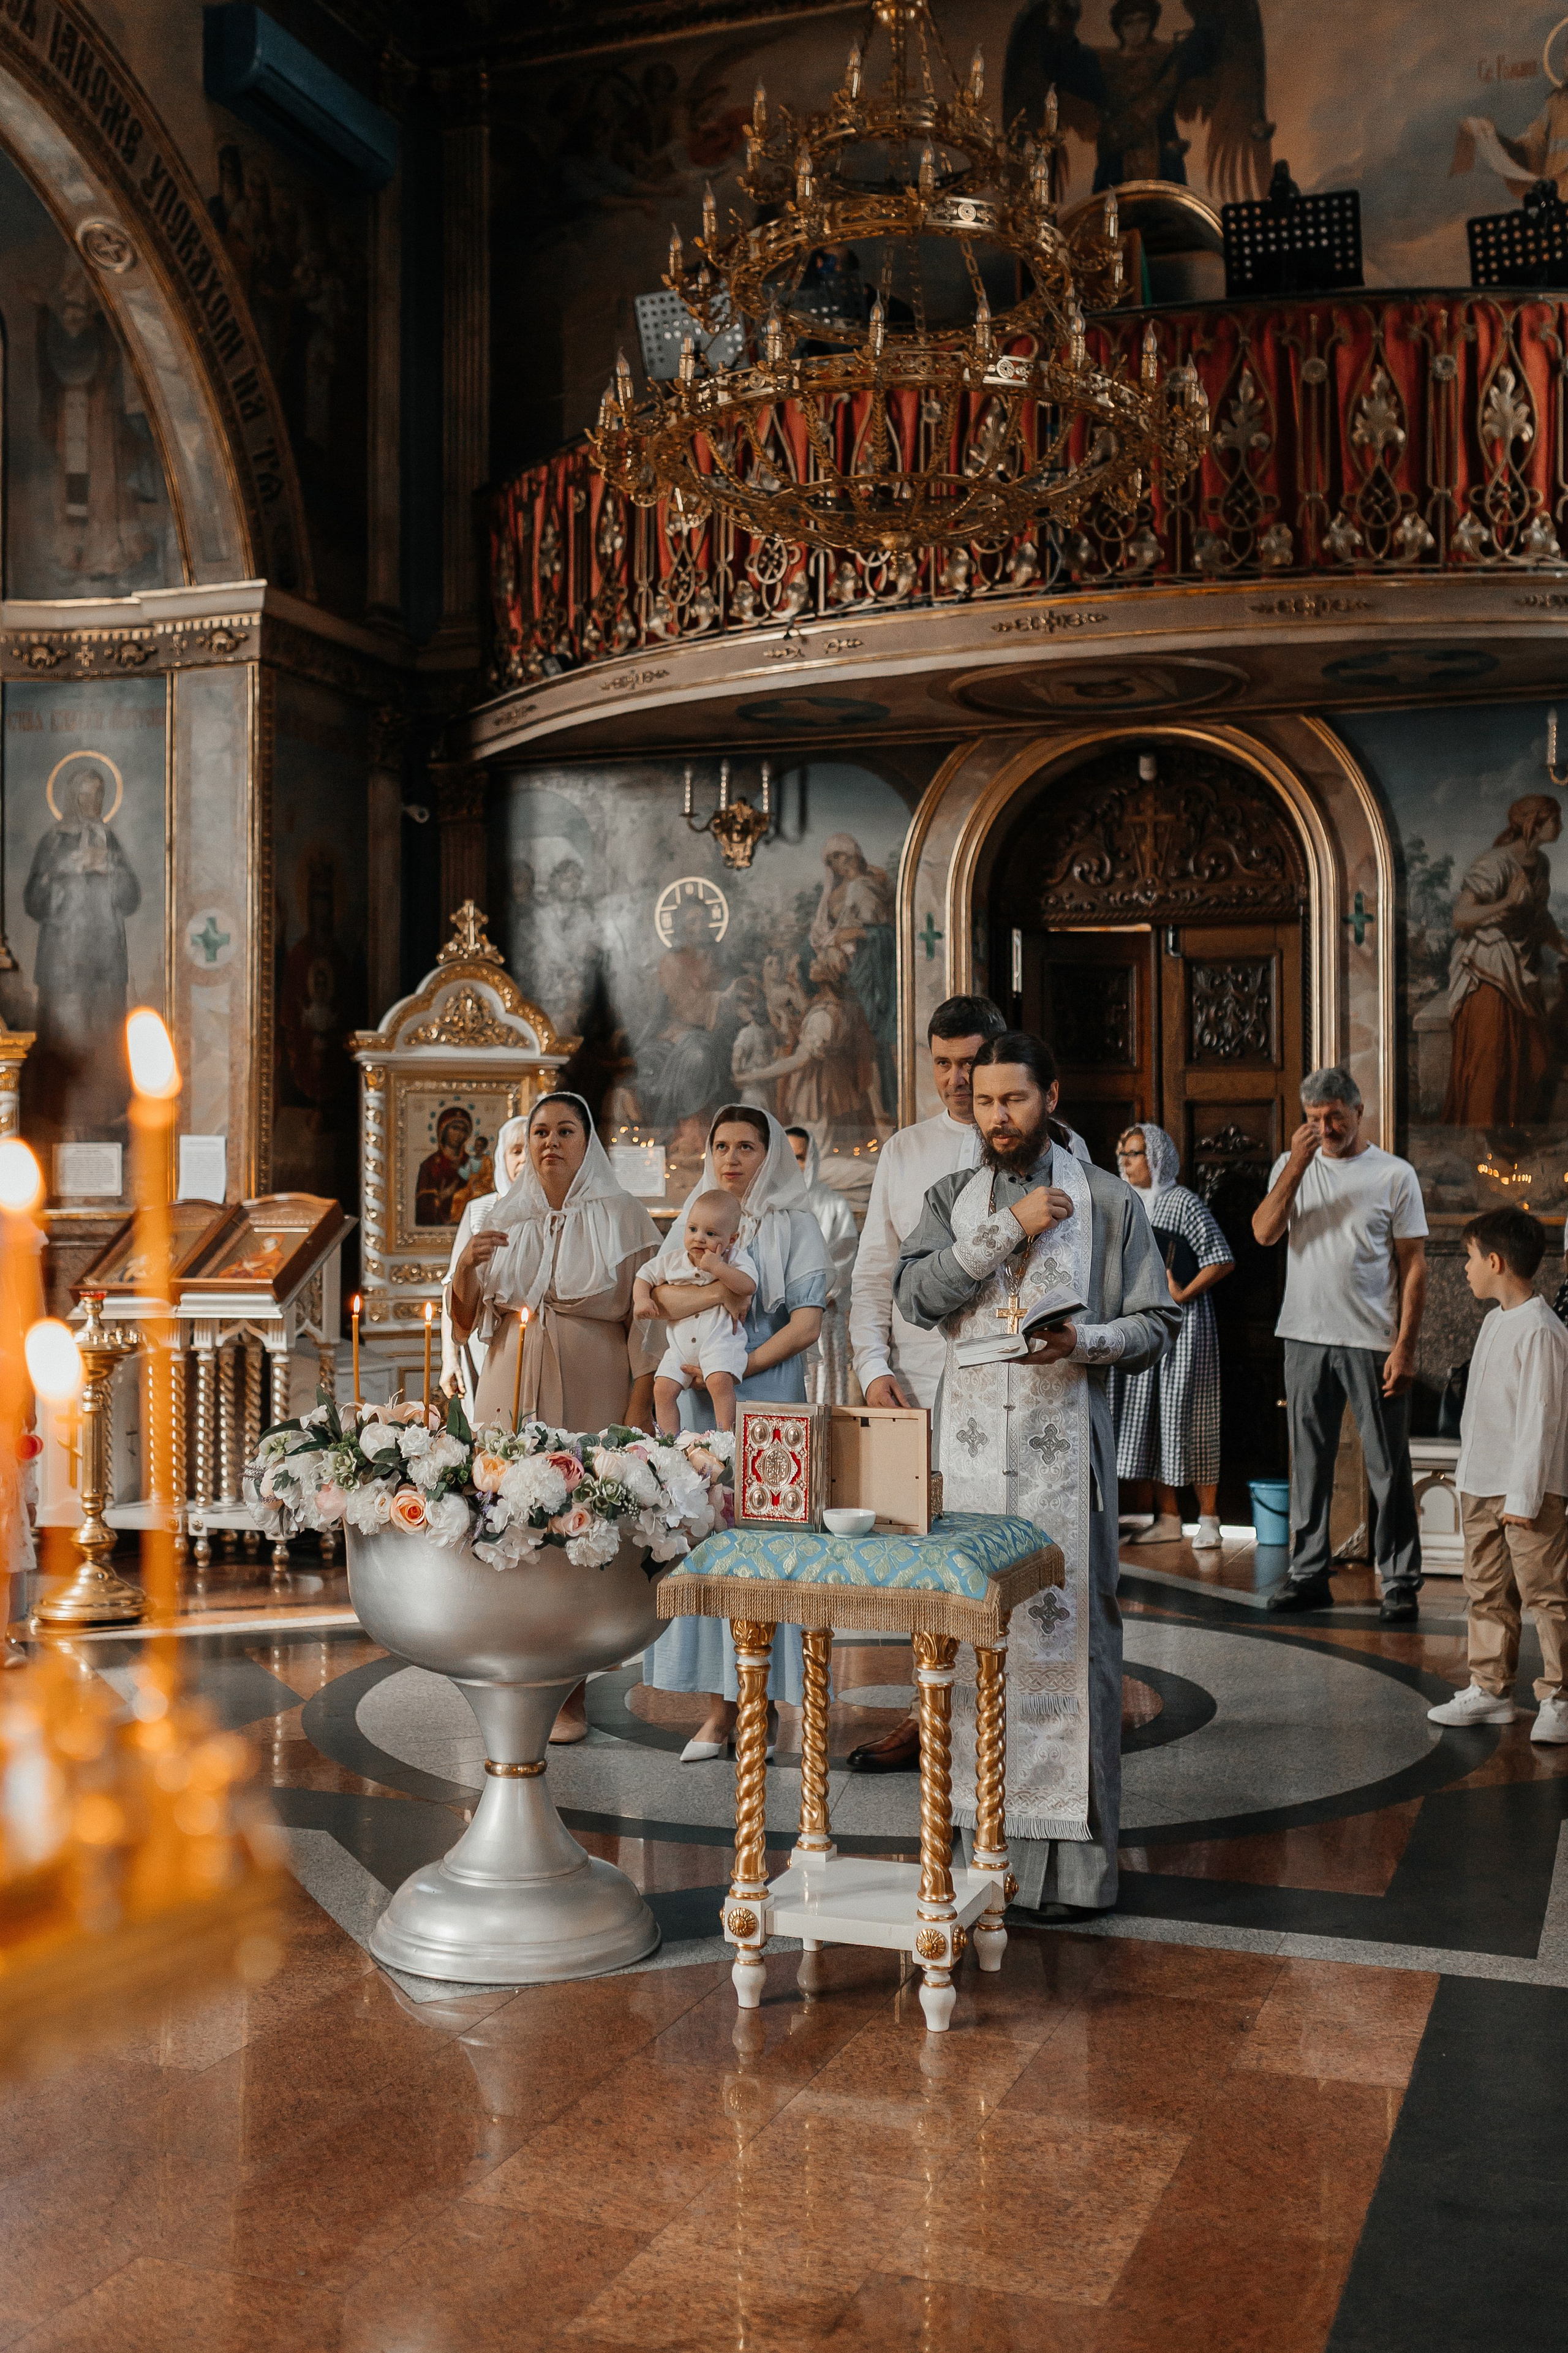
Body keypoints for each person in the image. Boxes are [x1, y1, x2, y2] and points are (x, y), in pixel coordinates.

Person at [895, 1032, 1178, 1917]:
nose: (998, 1118)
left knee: (1071, 1643)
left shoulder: (1105, 1199)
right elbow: (917, 1299)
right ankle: (974, 1857)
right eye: (983, 1102)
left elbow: (1156, 1321)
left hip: (1065, 1458)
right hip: (971, 1467)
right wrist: (1005, 1229)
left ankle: (1074, 1877)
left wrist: (1085, 1340)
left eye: (1014, 1100)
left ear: (1049, 1095)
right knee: (971, 1646)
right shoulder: (952, 1196)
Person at [845, 994, 1090, 1772]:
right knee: (932, 1575)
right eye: (943, 1065)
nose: (956, 1081)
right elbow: (876, 1274)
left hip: (1032, 1389)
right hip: (918, 1387)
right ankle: (928, 1721)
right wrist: (873, 1366)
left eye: (972, 1066)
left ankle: (1034, 1732)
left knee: (1030, 1573)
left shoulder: (1063, 1152)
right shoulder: (906, 1151)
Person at [450, 1093, 662, 1742]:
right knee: (506, 1517)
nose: (549, 1143)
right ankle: (513, 1677)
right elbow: (463, 1321)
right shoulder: (499, 1215)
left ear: (587, 1140)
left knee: (577, 1523)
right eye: (540, 1131)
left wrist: (634, 1412)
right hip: (508, 1384)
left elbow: (645, 1325)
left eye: (564, 1130)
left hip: (595, 1386)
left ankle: (569, 1689)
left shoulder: (624, 1217)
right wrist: (465, 1268)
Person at [644, 1105, 827, 1761]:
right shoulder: (697, 1212)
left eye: (747, 1146)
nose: (731, 1157)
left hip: (768, 1400)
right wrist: (715, 1307)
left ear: (770, 1153)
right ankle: (716, 1714)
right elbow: (658, 1299)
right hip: (699, 1403)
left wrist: (738, 1362)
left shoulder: (795, 1224)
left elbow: (805, 1322)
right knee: (707, 1544)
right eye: (721, 1145)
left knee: (767, 1552)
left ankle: (766, 1707)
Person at [1251, 1067, 1428, 1624]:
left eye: (1335, 1118)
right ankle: (1308, 1575)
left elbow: (1414, 1266)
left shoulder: (1394, 1174)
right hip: (1303, 1335)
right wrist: (1298, 1166)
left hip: (1372, 1340)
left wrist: (1406, 1346)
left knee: (1387, 1465)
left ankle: (1398, 1580)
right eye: (1314, 1119)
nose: (1325, 1128)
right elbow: (1263, 1232)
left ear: (1358, 1114)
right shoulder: (1290, 1166)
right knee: (1309, 1464)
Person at [1428, 1209, 1568, 1744]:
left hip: (1524, 1491)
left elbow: (1541, 1417)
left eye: (1469, 1257)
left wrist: (1525, 1495)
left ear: (1495, 1261)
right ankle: (1491, 1690)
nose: (1465, 1268)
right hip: (1481, 1483)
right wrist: (1468, 1476)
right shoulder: (1493, 1322)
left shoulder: (1542, 1329)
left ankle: (1560, 1697)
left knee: (1546, 1593)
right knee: (1486, 1590)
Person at [1111, 1124, 1234, 1549]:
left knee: (1190, 1414)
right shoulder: (1125, 1203)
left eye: (1134, 1152)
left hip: (1185, 1328)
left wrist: (1182, 1293)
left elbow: (1221, 1259)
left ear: (1157, 1157)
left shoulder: (1183, 1202)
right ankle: (1167, 1517)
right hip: (1142, 1326)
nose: (1125, 1161)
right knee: (1151, 1419)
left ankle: (1210, 1518)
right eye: (1122, 1153)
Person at [1442, 795, 1564, 1128]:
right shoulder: (1494, 864)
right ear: (1534, 823)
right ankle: (1482, 1143)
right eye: (1556, 819)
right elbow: (1461, 917)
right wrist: (1507, 902)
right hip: (1488, 970)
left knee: (1532, 1059)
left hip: (1521, 970)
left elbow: (1539, 918)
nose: (1561, 825)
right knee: (1491, 1063)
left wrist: (1564, 946)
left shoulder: (1541, 864)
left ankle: (1512, 1141)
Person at [635, 1189, 757, 1433]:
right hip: (679, 1347)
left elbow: (748, 1286)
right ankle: (670, 1443)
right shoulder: (673, 1260)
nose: (699, 1239)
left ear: (731, 1239)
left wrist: (719, 1268)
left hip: (718, 1342)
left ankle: (726, 1439)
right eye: (692, 1229)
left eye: (710, 1234)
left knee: (719, 1383)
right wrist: (641, 1300)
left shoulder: (734, 1259)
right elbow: (644, 1275)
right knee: (662, 1389)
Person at [440, 1113, 530, 1404]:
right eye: (516, 1151)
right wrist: (448, 1358)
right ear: (501, 1158)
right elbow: (453, 1287)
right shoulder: (481, 1210)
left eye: (531, 1149)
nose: (524, 1159)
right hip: (485, 1343)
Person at [786, 1125, 857, 1405]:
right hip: (781, 1319)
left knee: (824, 1393)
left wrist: (814, 1296)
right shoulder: (769, 1207)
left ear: (811, 1159)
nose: (794, 1165)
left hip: (823, 1315)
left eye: (800, 1157)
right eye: (787, 1157)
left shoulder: (834, 1205)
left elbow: (845, 1257)